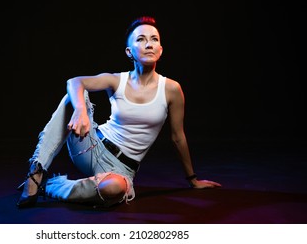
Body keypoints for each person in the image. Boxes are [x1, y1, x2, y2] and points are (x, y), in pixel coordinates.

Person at [16, 15, 221, 209]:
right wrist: (80, 110)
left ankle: (52, 187)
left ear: (160, 49)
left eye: (154, 39)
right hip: (91, 146)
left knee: (114, 188)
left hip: (121, 169)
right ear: (129, 51)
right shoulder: (117, 80)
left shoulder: (171, 89)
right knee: (75, 95)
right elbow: (75, 81)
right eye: (140, 39)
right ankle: (36, 172)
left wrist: (192, 180)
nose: (148, 44)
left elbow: (178, 137)